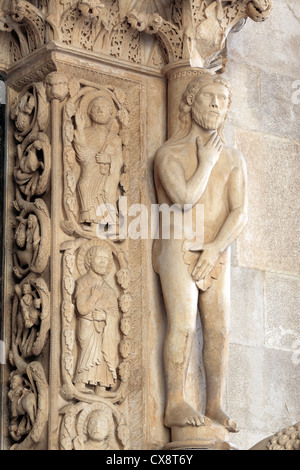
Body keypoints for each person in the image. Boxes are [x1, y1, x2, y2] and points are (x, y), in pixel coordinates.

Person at [153, 72, 248, 431]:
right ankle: (175, 401)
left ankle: (215, 404)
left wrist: (215, 248)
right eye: (208, 97)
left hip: (215, 250)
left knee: (219, 330)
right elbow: (184, 198)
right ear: (190, 102)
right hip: (177, 248)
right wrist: (206, 161)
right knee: (183, 326)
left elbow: (240, 213)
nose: (216, 105)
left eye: (222, 101)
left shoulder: (235, 158)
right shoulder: (168, 153)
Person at [74, 245, 120, 396]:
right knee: (89, 353)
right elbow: (81, 309)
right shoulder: (83, 282)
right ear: (89, 260)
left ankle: (101, 388)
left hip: (103, 327)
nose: (103, 262)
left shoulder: (109, 289)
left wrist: (105, 316)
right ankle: (81, 383)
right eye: (99, 258)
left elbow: (114, 312)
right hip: (88, 326)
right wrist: (93, 297)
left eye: (106, 260)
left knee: (103, 355)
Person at [73, 95, 123, 227]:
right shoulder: (86, 133)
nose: (101, 111)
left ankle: (108, 223)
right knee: (83, 185)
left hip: (107, 180)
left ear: (110, 114)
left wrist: (108, 159)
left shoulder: (115, 139)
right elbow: (82, 154)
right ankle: (90, 221)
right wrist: (79, 128)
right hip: (89, 175)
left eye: (105, 108)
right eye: (97, 107)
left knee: (106, 194)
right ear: (89, 112)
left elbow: (119, 160)